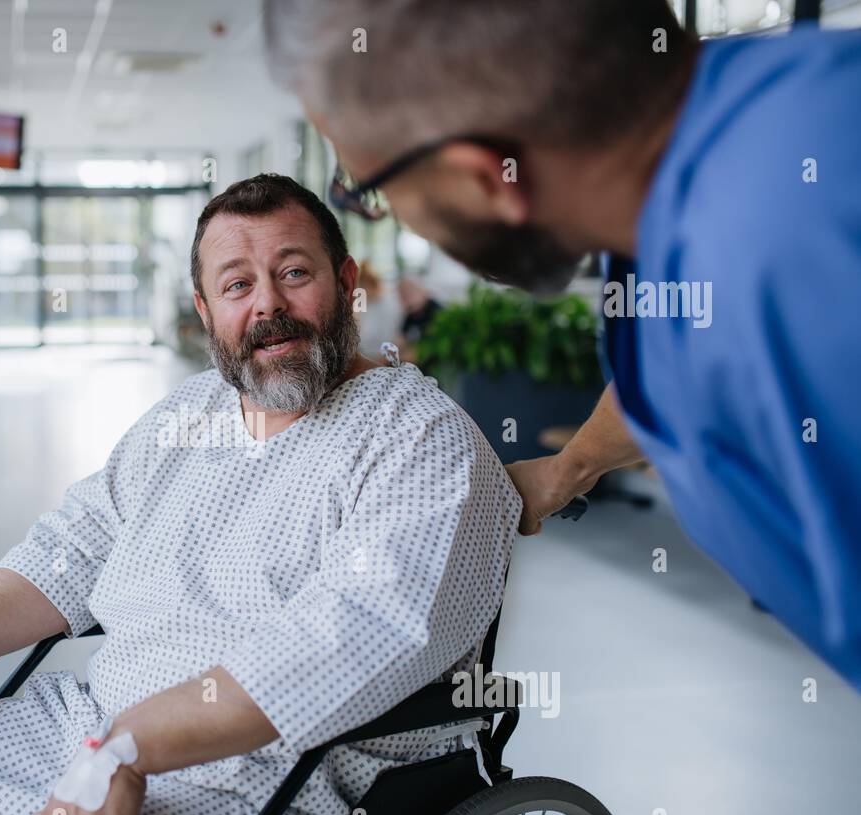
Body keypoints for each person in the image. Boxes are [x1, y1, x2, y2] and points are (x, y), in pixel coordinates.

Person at [0, 174, 520, 815]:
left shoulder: (419, 439)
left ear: (347, 282)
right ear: (206, 313)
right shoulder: (189, 413)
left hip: (271, 770)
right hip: (95, 723)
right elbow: (72, 546)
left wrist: (127, 750)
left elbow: (341, 646)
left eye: (294, 273)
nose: (268, 305)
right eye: (237, 285)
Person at [262, 0, 861, 689]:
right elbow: (664, 379)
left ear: (485, 177)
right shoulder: (697, 157)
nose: (394, 217)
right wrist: (566, 470)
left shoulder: (776, 267)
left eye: (372, 189)